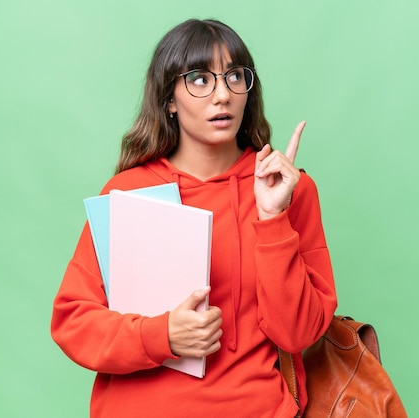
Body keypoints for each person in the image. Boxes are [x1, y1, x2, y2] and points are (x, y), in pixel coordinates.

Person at [51, 18, 337, 418]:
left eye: (235, 77)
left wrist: (272, 217)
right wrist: (161, 335)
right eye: (200, 80)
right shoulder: (128, 191)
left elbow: (299, 333)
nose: (222, 95)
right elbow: (74, 323)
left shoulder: (286, 187)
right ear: (169, 99)